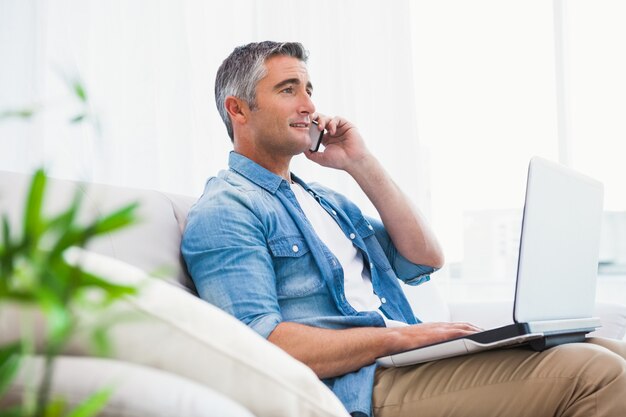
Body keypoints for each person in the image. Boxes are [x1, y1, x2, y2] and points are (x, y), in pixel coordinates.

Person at [182, 41, 626, 417]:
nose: (309, 106)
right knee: (595, 372)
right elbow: (259, 344)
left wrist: (360, 163)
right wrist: (401, 335)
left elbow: (422, 258)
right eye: (288, 89)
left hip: (404, 361)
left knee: (614, 353)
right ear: (238, 109)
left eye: (309, 90)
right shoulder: (227, 208)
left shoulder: (325, 199)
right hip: (362, 385)